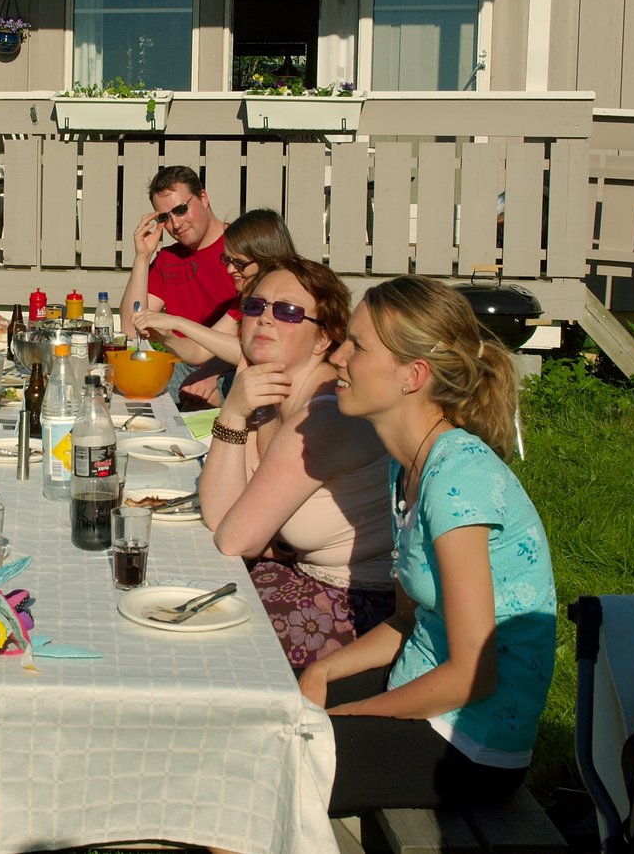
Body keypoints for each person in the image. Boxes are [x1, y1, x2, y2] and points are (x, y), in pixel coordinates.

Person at [304, 276, 557, 815]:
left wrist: (345, 719)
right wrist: (319, 672)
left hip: (469, 743)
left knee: (271, 766)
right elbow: (409, 620)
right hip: (421, 688)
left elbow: (472, 674)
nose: (338, 357)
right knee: (267, 715)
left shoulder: (457, 478)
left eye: (357, 346)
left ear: (413, 376)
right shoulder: (405, 467)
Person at [197, 258, 393, 668]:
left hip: (359, 606)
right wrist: (241, 409)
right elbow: (225, 513)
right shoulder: (271, 398)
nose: (265, 318)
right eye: (256, 306)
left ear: (323, 340)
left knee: (208, 644)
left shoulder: (322, 418)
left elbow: (233, 538)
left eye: (287, 311)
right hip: (306, 578)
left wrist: (231, 414)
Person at [120, 166, 239, 407]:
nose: (175, 224)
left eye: (181, 210)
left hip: (233, 363)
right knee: (125, 390)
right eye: (165, 217)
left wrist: (211, 373)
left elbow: (253, 337)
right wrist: (142, 257)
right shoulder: (168, 258)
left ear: (203, 198)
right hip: (184, 360)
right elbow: (131, 328)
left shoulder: (241, 248)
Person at [132, 208, 297, 377]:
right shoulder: (248, 297)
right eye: (227, 260)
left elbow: (256, 352)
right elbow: (199, 352)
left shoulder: (293, 298)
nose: (230, 269)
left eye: (239, 263)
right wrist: (165, 337)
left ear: (267, 259)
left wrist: (177, 323)